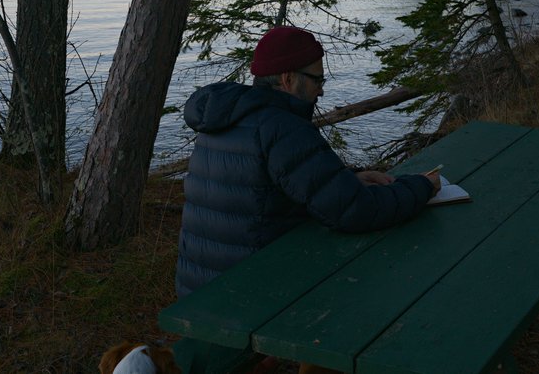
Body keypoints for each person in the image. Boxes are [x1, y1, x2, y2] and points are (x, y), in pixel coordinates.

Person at [175, 25, 442, 299]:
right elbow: (354, 211)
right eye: (317, 80)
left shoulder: (226, 119)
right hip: (252, 296)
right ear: (288, 79)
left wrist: (349, 178)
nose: (321, 91)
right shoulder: (282, 127)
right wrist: (421, 187)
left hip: (200, 291)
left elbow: (268, 185)